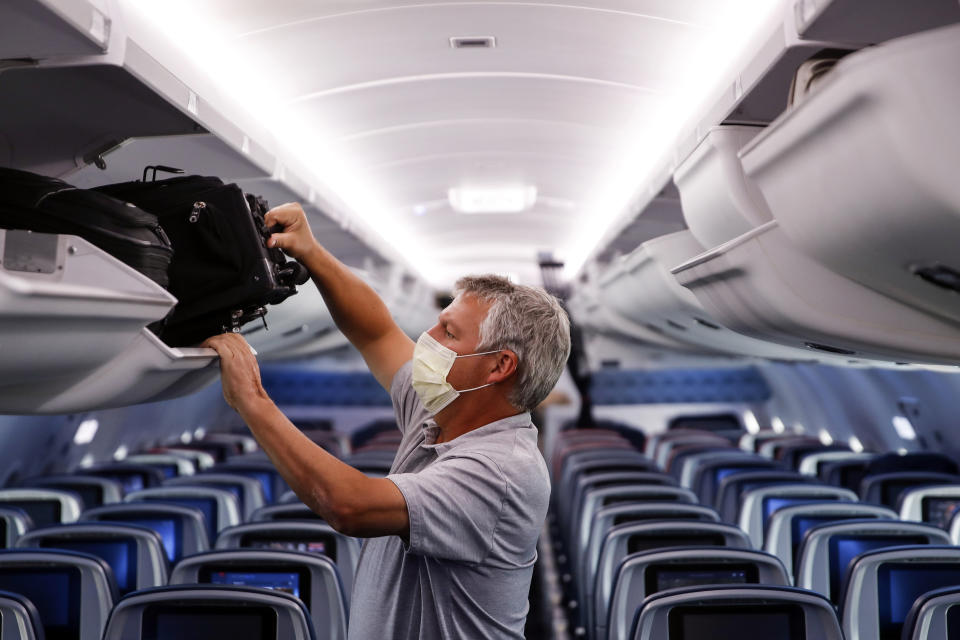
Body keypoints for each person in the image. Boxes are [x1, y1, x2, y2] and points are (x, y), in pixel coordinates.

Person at [203, 202, 572, 639]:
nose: (426, 340)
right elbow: (376, 331)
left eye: (448, 333)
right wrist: (310, 251)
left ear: (498, 367)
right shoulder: (441, 412)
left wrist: (252, 399)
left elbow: (347, 505)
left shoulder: (503, 471)